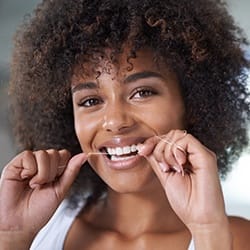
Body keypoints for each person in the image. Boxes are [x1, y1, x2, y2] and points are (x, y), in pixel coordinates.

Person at [1, 0, 250, 249]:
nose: (115, 122)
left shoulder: (235, 238)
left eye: (142, 92)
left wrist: (207, 230)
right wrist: (12, 236)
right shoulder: (39, 228)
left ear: (193, 103)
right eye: (90, 101)